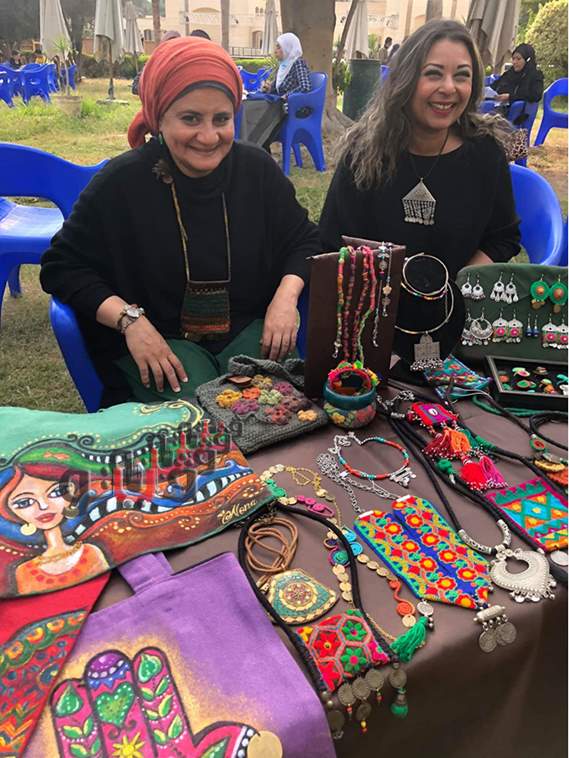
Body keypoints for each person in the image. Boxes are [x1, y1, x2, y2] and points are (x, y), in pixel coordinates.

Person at [41, 37, 318, 405]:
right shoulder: (122, 181)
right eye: (190, 119)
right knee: (202, 418)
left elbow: (305, 240)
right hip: (160, 339)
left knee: (282, 412)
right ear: (159, 118)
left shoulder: (256, 171)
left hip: (246, 332)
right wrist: (130, 321)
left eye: (221, 119)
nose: (209, 136)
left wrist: (285, 297)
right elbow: (61, 266)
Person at [319, 19, 520, 277]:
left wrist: (458, 286)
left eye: (461, 76)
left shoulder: (486, 153)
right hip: (374, 297)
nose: (449, 87)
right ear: (405, 80)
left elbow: (503, 238)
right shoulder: (362, 153)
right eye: (434, 73)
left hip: (457, 297)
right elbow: (332, 242)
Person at [0, 456, 109, 594]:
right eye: (24, 502)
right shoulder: (24, 572)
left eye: (57, 492)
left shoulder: (91, 552)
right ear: (9, 511)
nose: (44, 506)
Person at [239, 32, 312, 148]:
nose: (275, 51)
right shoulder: (283, 66)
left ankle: (255, 145)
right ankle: (251, 144)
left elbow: (305, 86)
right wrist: (267, 89)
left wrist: (287, 96)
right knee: (248, 105)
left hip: (292, 107)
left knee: (255, 108)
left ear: (288, 48)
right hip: (279, 104)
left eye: (279, 47)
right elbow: (275, 90)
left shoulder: (297, 63)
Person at [492, 43, 544, 124]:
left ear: (527, 60)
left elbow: (535, 95)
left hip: (518, 114)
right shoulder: (509, 73)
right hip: (498, 105)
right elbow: (494, 85)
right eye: (513, 59)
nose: (514, 62)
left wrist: (510, 97)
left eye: (518, 59)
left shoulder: (535, 76)